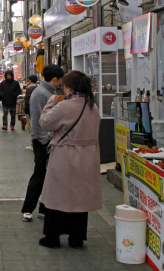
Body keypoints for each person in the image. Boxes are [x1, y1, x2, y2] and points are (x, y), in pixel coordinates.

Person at [38, 71, 102, 249]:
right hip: (87, 158)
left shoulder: (65, 106)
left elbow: (45, 123)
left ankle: (52, 238)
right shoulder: (92, 106)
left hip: (65, 157)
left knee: (57, 198)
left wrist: (50, 103)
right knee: (80, 199)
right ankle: (77, 238)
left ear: (70, 87)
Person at [21, 64, 64, 222]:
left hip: (50, 141)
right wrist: (44, 140)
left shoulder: (50, 92)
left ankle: (44, 209)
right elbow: (37, 120)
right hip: (43, 141)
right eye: (60, 80)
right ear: (54, 79)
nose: (61, 83)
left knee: (49, 176)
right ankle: (27, 209)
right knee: (39, 174)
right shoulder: (40, 93)